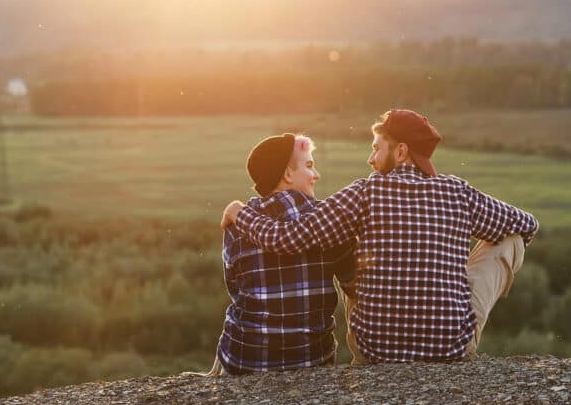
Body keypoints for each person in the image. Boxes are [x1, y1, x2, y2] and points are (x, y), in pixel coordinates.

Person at [221, 110, 538, 364]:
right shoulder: (458, 192)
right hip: (450, 347)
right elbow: (527, 225)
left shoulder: (364, 192)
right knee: (509, 239)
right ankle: (449, 311)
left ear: (401, 151)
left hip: (375, 351)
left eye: (376, 148)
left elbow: (286, 238)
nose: (370, 160)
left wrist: (240, 212)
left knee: (348, 249)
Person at [207, 133, 355, 375]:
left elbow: (235, 287)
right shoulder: (326, 220)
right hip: (313, 358)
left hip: (246, 359)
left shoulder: (237, 223)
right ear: (287, 173)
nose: (316, 175)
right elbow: (352, 282)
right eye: (309, 165)